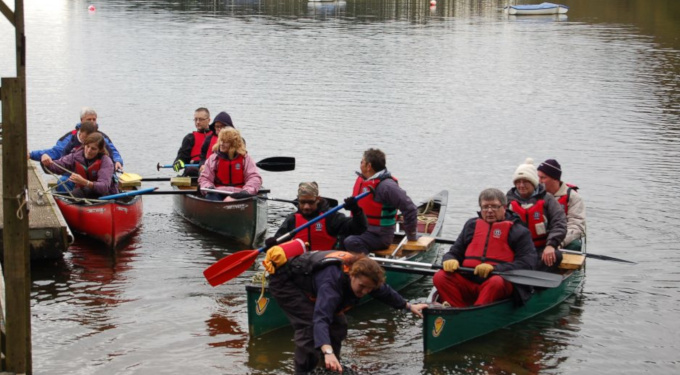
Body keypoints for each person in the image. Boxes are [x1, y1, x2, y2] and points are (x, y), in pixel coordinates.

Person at [264, 247, 428, 374]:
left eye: (369, 289)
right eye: (361, 286)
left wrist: (408, 306)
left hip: (311, 283)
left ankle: (330, 366)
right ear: (352, 274)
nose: (364, 292)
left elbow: (384, 292)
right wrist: (327, 350)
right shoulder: (332, 285)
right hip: (286, 282)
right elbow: (320, 318)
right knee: (309, 327)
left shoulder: (368, 279)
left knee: (339, 324)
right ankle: (304, 371)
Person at [433, 188, 536, 307]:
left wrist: (495, 268)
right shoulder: (471, 226)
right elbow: (455, 251)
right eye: (485, 207)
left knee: (496, 282)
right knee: (440, 276)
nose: (490, 211)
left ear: (504, 207)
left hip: (497, 284)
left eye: (495, 206)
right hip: (469, 280)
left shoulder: (519, 231)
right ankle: (457, 308)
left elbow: (528, 263)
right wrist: (449, 259)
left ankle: (477, 312)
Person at [343, 148, 418, 254]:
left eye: (361, 162)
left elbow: (410, 209)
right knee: (337, 232)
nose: (360, 165)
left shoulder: (387, 187)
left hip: (379, 235)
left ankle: (366, 267)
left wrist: (411, 236)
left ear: (368, 166)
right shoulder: (363, 179)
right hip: (361, 229)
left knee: (351, 242)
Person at [266, 182, 368, 251]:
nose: (306, 207)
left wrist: (356, 210)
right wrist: (272, 244)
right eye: (302, 202)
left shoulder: (331, 217)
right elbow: (277, 246)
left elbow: (359, 228)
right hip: (300, 267)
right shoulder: (292, 220)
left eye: (310, 202)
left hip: (326, 266)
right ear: (298, 200)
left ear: (318, 199)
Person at [507, 158, 567, 271]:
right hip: (516, 249)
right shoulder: (507, 201)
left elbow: (560, 223)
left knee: (555, 256)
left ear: (533, 182)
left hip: (540, 248)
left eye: (525, 181)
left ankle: (534, 280)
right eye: (518, 182)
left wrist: (551, 245)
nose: (521, 185)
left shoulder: (548, 200)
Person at [28, 107, 124, 172]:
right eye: (89, 119)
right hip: (74, 173)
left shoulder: (101, 137)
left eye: (94, 120)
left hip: (97, 174)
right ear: (81, 120)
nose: (92, 122)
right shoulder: (70, 138)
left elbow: (113, 152)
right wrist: (32, 155)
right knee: (63, 183)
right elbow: (55, 152)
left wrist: (118, 161)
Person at [42, 132, 119, 198]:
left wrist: (85, 182)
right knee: (77, 192)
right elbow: (57, 166)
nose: (88, 151)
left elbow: (104, 187)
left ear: (100, 150)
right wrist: (46, 161)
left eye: (93, 149)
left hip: (106, 196)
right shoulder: (76, 156)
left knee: (82, 191)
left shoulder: (106, 161)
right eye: (87, 146)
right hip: (85, 192)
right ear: (84, 145)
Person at [198, 127, 261, 202]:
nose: (221, 144)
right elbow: (205, 178)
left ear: (233, 144)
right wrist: (208, 187)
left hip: (239, 194)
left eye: (225, 142)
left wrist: (246, 192)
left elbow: (254, 178)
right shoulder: (213, 159)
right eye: (221, 140)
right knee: (210, 197)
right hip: (218, 192)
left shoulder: (245, 159)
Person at [537, 159, 586, 250]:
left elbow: (576, 227)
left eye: (543, 178)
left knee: (575, 245)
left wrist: (555, 243)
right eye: (538, 177)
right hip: (541, 234)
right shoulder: (534, 194)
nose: (539, 181)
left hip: (562, 237)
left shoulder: (573, 198)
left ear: (555, 179)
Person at [172, 107, 211, 176]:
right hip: (193, 170)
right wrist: (179, 162)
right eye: (196, 119)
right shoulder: (189, 138)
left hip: (210, 168)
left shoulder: (216, 136)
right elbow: (182, 157)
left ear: (209, 120)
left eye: (201, 119)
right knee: (191, 170)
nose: (198, 122)